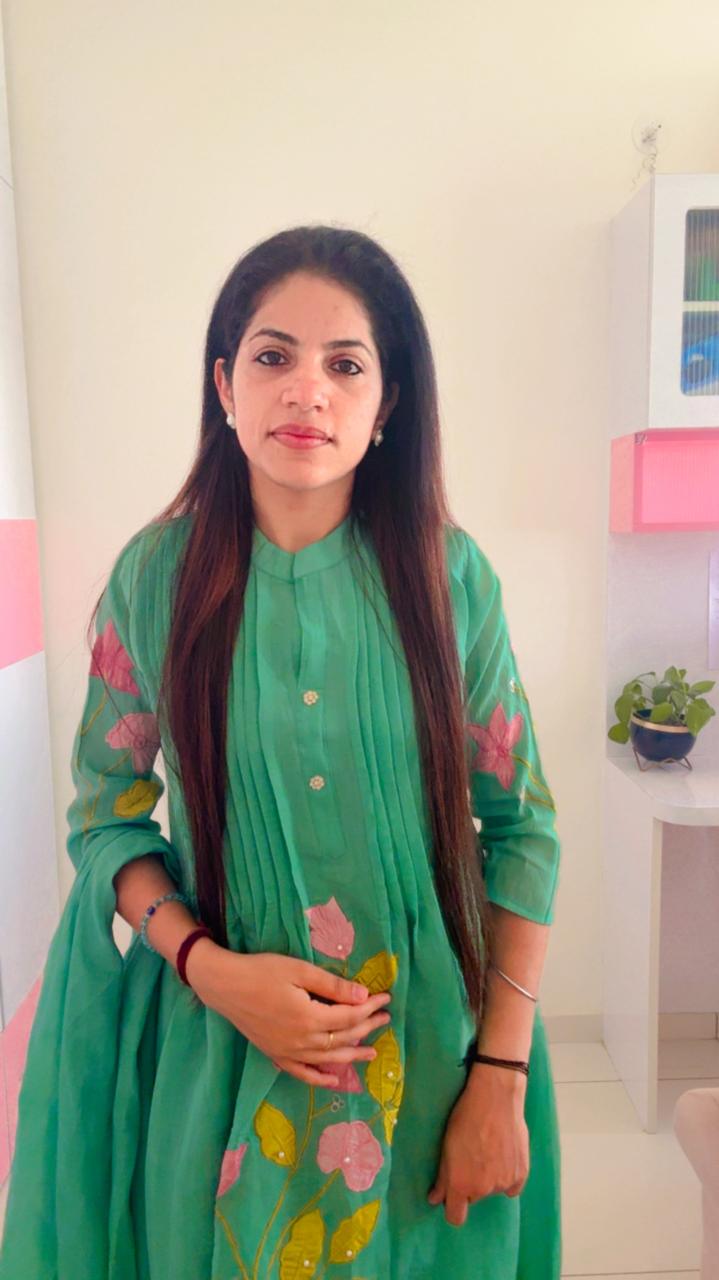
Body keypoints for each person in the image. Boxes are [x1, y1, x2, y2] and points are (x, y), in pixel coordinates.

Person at [0, 225, 562, 1279]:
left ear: (385, 406)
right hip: (219, 1051)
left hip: (432, 1059)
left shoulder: (450, 579)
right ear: (224, 385)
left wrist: (498, 1074)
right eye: (273, 355)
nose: (307, 389)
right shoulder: (155, 579)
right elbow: (106, 818)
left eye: (345, 365)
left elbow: (522, 829)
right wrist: (210, 971)